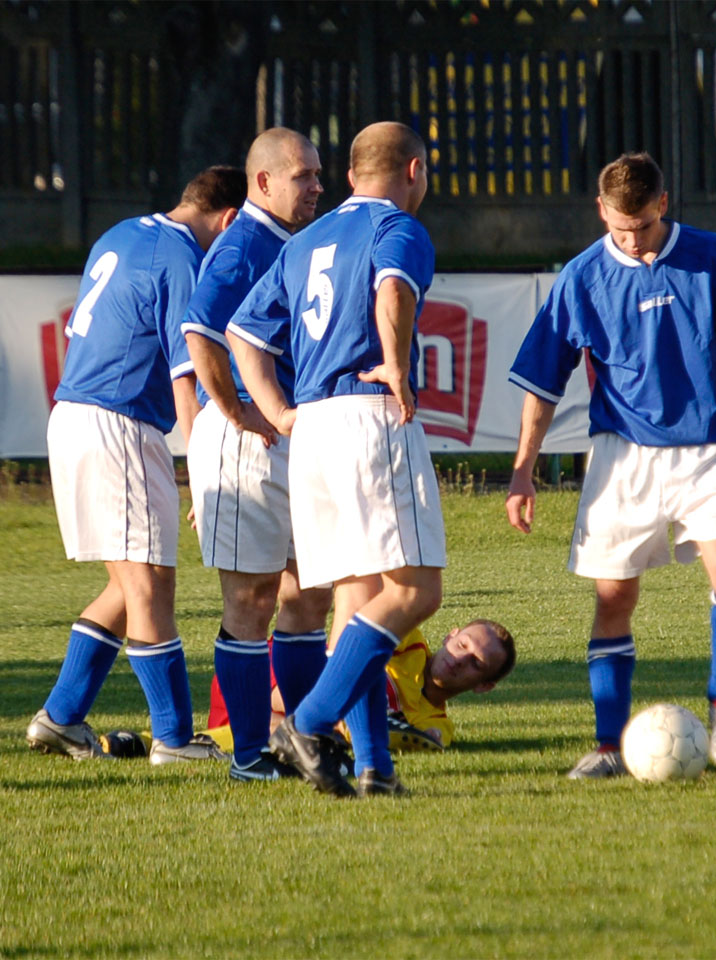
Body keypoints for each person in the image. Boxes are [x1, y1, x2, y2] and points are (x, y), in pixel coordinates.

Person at [505, 152, 716, 779]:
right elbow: (542, 383)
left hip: (706, 447)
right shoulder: (581, 276)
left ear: (663, 205)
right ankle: (605, 745)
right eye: (620, 228)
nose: (632, 240)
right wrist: (522, 469)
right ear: (601, 211)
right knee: (615, 595)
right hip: (622, 455)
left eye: (643, 227)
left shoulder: (711, 255)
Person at [229, 121, 444, 798]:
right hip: (366, 416)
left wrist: (279, 411)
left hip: (312, 430)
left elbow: (242, 333)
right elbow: (392, 292)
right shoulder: (397, 229)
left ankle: (376, 768)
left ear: (351, 174)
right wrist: (399, 367)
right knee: (414, 591)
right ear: (413, 171)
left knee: (355, 597)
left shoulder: (303, 243)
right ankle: (310, 722)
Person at [25, 166, 246, 765]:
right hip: (117, 422)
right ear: (228, 220)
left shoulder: (123, 232)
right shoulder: (181, 259)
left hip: (75, 413)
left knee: (128, 587)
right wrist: (206, 473)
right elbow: (186, 378)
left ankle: (61, 717)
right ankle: (174, 738)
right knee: (150, 585)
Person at [177, 128, 334, 784]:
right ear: (263, 183)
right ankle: (247, 756)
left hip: (293, 437)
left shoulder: (292, 244)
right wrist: (235, 409)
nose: (317, 186)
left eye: (319, 174)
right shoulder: (245, 243)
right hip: (248, 443)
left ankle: (301, 743)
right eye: (303, 176)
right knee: (252, 598)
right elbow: (198, 330)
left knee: (310, 593)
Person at [118, 618, 516, 757]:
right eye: (462, 644)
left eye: (474, 663)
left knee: (288, 734)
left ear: (484, 686)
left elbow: (432, 739)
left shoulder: (440, 723)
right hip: (269, 673)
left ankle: (143, 743)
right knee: (351, 677)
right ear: (451, 634)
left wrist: (415, 736)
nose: (458, 658)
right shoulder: (409, 640)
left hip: (272, 712)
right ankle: (364, 722)